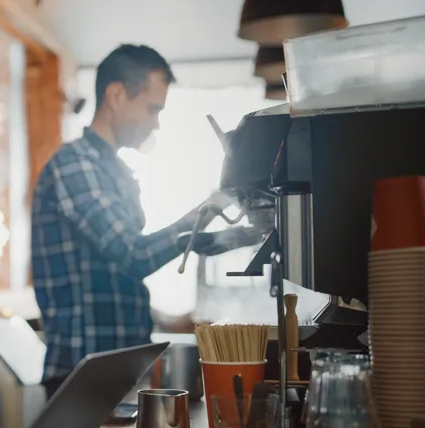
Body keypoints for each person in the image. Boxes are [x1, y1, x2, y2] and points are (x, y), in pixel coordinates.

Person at [29, 44, 264, 399]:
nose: (156, 122)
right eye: (152, 109)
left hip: (120, 366)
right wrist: (205, 212)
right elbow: (133, 256)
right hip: (81, 374)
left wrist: (232, 236)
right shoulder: (74, 165)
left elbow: (110, 279)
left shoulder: (117, 171)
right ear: (116, 95)